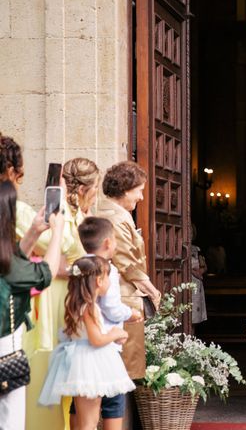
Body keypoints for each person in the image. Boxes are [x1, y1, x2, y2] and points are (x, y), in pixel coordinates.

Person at [39, 256, 135, 430]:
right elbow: (96, 339)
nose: (110, 283)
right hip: (89, 364)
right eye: (108, 278)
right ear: (99, 281)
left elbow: (88, 334)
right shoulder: (88, 306)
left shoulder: (78, 304)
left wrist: (112, 335)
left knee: (88, 420)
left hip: (87, 361)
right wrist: (114, 334)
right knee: (88, 423)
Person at [0, 180, 65, 430]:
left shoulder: (6, 262)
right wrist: (57, 231)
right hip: (5, 352)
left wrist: (34, 232)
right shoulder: (10, 267)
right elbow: (45, 273)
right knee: (10, 420)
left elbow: (12, 261)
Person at [74, 216, 143, 430]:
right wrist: (131, 314)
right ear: (107, 243)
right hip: (103, 352)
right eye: (114, 239)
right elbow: (112, 309)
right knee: (113, 401)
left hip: (77, 352)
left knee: (81, 408)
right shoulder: (106, 270)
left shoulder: (78, 266)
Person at [97, 161, 160, 380]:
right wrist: (152, 290)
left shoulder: (115, 213)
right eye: (139, 191)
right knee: (121, 369)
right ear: (125, 189)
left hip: (121, 293)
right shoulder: (115, 217)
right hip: (122, 295)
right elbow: (126, 262)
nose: (141, 197)